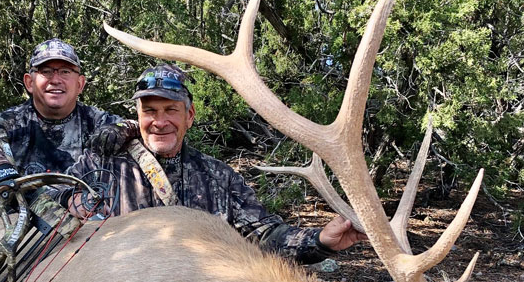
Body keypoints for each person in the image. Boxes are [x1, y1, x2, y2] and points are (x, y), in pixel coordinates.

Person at [85, 64, 365, 264]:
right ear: (138, 116)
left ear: (190, 116)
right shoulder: (103, 165)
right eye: (150, 112)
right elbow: (48, 202)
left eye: (171, 110)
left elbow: (265, 237)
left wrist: (320, 241)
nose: (160, 122)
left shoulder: (218, 177)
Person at [0, 38, 123, 218]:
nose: (55, 80)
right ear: (29, 82)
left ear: (80, 84)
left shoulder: (102, 123)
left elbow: (141, 131)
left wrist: (127, 129)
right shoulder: (2, 127)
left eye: (65, 71)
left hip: (93, 228)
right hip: (24, 231)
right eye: (45, 71)